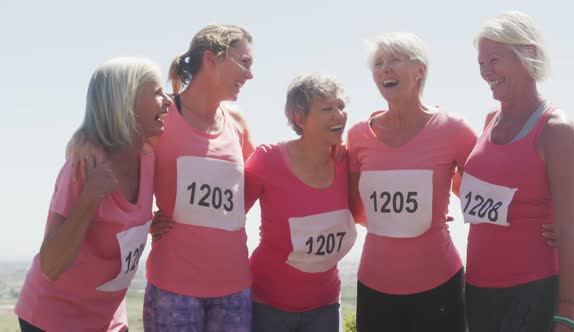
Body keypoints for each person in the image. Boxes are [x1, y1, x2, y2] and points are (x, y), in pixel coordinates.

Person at [14, 57, 171, 332]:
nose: (168, 101)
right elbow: (51, 266)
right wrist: (89, 198)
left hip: (107, 320)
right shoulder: (84, 168)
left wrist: (143, 225)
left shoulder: (148, 157)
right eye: (157, 93)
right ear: (126, 102)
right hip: (52, 320)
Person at [462, 11, 574, 332]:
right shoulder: (489, 120)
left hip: (531, 291)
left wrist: (567, 317)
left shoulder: (556, 129)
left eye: (494, 60)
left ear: (528, 54)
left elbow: (571, 234)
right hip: (477, 289)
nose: (486, 72)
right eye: (481, 63)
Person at [347, 32, 476, 332]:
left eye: (394, 60)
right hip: (375, 285)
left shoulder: (454, 129)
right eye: (378, 64)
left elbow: (482, 195)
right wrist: (404, 222)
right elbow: (355, 207)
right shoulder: (357, 136)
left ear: (420, 70)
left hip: (440, 284)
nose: (384, 69)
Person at [141, 24, 256, 332]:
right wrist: (142, 219)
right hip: (173, 288)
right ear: (212, 59)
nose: (250, 74)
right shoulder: (162, 113)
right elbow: (127, 172)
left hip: (234, 289)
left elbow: (257, 181)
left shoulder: (237, 122)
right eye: (244, 62)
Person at [245, 73, 356, 332]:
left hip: (325, 307)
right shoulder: (267, 160)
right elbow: (228, 215)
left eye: (341, 106)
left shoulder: (347, 162)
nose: (339, 115)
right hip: (267, 306)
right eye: (327, 108)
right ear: (299, 118)